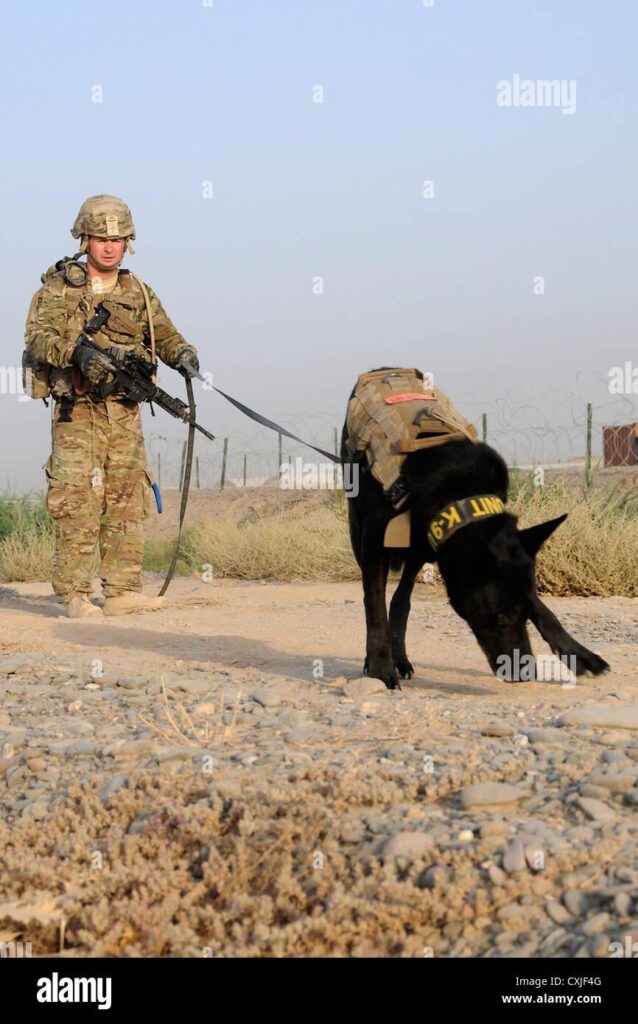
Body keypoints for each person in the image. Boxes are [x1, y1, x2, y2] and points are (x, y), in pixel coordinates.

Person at [24, 194, 199, 618]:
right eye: (100, 238)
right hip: (76, 410)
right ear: (84, 238)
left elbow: (165, 334)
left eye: (118, 238)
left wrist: (183, 355)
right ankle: (76, 595)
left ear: (128, 242)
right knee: (76, 499)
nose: (109, 245)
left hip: (123, 411)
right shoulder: (58, 288)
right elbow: (36, 341)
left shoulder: (137, 291)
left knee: (125, 496)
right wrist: (75, 354)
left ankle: (121, 590)